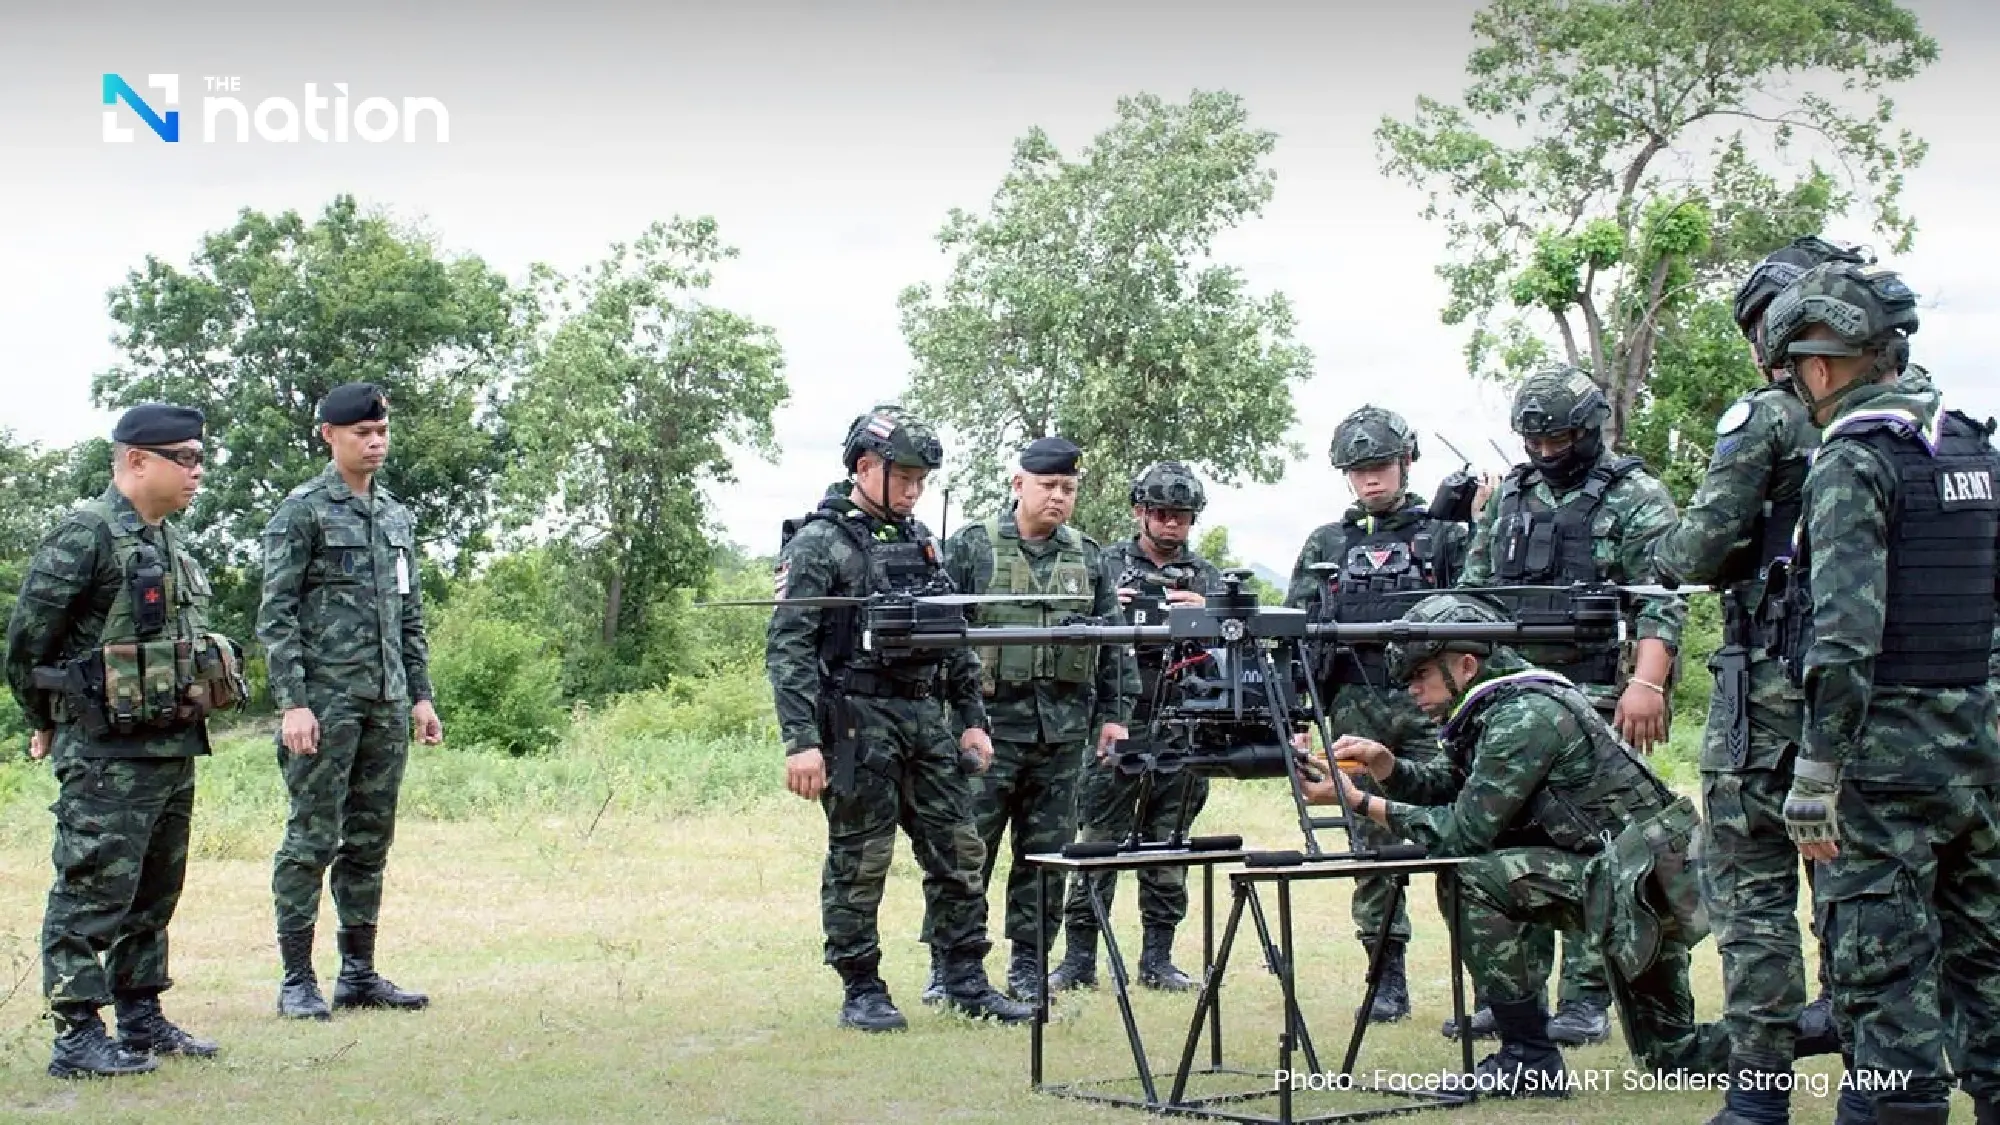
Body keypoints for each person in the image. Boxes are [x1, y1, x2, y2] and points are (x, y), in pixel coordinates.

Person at [1299, 594, 1724, 1096]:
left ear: (1466, 664)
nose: (1411, 690)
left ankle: (1528, 1058)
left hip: (1638, 892)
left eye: (1420, 675)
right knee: (1676, 1058)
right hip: (1631, 883)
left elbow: (1462, 833)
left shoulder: (1524, 716)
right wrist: (1383, 765)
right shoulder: (1502, 706)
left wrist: (1358, 802)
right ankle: (1808, 1033)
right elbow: (1452, 784)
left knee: (1468, 872)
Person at [1769, 261, 2000, 1125]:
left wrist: (1817, 771)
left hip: (1884, 778)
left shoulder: (1853, 459)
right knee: (1987, 973)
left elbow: (1845, 635)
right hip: (1976, 766)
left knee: (1883, 990)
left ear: (1822, 367)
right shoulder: (1975, 442)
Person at [1652, 236, 1868, 1125]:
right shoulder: (1907, 417)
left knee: (1753, 895)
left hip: (1770, 691)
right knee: (1861, 894)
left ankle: (1758, 1097)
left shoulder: (1768, 419)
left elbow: (1694, 549)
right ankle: (1878, 1080)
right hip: (1869, 692)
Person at [764, 406, 1028, 1030]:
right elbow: (789, 647)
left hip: (925, 718)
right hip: (855, 723)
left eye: (922, 480)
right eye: (904, 477)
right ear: (865, 467)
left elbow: (955, 637)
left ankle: (964, 976)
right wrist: (801, 742)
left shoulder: (922, 544)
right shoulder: (818, 542)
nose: (914, 491)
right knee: (861, 857)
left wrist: (972, 718)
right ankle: (862, 987)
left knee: (959, 848)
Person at [5, 404, 240, 1078]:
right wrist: (44, 716)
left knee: (154, 892)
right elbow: (27, 643)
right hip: (105, 752)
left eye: (200, 457)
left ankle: (141, 1014)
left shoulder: (169, 542)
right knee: (91, 888)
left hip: (171, 748)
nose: (198, 471)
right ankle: (77, 1032)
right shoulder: (86, 534)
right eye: (186, 457)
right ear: (137, 460)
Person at [1456, 365, 1686, 1046]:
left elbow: (1661, 598)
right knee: (1506, 843)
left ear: (1590, 428)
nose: (1547, 450)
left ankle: (1587, 997)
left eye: (1559, 436)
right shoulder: (1510, 499)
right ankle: (1512, 994)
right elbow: (1474, 594)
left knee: (1595, 845)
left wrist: (1646, 684)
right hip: (1510, 699)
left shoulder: (1635, 495)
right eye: (1535, 439)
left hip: (1597, 697)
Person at [919, 436, 1138, 1004]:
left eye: (1068, 488)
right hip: (985, 733)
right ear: (1019, 484)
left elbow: (1115, 646)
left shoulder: (1089, 556)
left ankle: (1027, 965)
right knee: (966, 853)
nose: (1059, 498)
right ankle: (950, 965)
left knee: (1045, 857)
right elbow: (940, 639)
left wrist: (1113, 718)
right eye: (1048, 487)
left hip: (1061, 738)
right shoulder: (973, 547)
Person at [260, 382, 442, 1021]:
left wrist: (420, 696)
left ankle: (358, 973)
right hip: (324, 707)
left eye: (382, 432)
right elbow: (276, 614)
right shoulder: (302, 512)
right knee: (311, 840)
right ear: (328, 435)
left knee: (369, 840)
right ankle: (296, 979)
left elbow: (408, 615)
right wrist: (293, 703)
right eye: (362, 433)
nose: (374, 442)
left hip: (385, 704)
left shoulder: (395, 516)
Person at [1282, 406, 1469, 1023]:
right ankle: (1386, 980)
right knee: (1373, 855)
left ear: (1406, 463)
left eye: (1380, 467)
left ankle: (1491, 988)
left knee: (1461, 846)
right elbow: (1295, 634)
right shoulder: (1326, 543)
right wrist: (1296, 712)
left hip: (1435, 715)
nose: (1371, 481)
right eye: (1358, 471)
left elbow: (1476, 619)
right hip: (1355, 712)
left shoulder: (1445, 536)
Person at [1046, 461, 1223, 995]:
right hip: (1117, 718)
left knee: (1169, 843)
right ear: (1140, 512)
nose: (1172, 525)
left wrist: (1205, 612)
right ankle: (1079, 957)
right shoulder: (1104, 565)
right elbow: (1067, 624)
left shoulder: (1207, 576)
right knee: (1098, 837)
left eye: (1182, 517)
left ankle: (1158, 958)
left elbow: (1238, 641)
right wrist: (1112, 613)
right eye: (1162, 514)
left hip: (1183, 722)